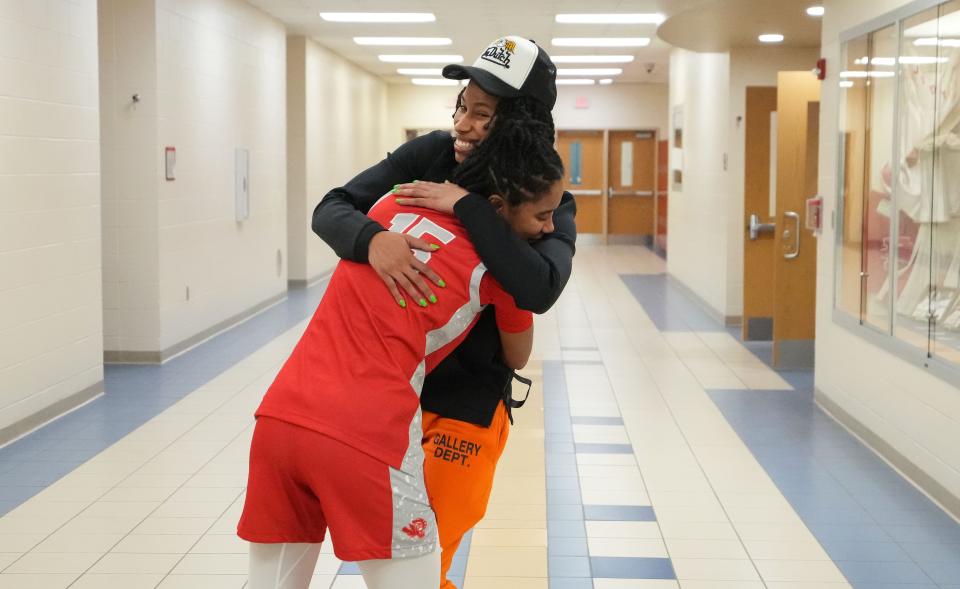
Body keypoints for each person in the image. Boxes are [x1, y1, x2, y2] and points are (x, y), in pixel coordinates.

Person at [238, 117, 566, 589]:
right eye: (541, 216)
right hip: (365, 433)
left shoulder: (394, 204)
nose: (549, 227)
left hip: (281, 420)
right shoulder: (500, 268)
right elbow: (517, 354)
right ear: (497, 206)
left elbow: (334, 210)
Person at [312, 36, 576, 589]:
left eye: (484, 113)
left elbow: (539, 286)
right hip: (388, 397)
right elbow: (331, 208)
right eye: (461, 105)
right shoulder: (430, 154)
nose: (462, 124)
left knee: (421, 559)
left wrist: (466, 206)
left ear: (521, 123)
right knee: (394, 563)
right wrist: (370, 240)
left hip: (465, 404)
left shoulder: (544, 196)